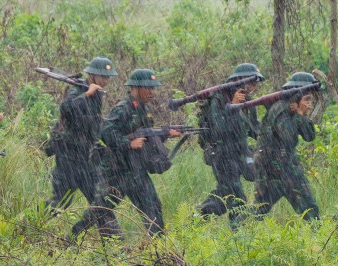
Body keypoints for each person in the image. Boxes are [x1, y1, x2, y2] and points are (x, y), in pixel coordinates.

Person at [70, 68, 179, 238]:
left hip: (137, 170)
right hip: (116, 172)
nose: (151, 92)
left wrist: (164, 135)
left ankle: (160, 247)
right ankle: (74, 235)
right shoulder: (123, 108)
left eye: (153, 88)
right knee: (100, 210)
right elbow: (106, 132)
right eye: (148, 88)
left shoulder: (143, 109)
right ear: (135, 87)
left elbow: (144, 137)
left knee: (153, 208)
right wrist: (128, 144)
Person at [45, 57, 118, 211]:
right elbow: (66, 108)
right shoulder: (77, 90)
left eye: (107, 77)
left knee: (100, 203)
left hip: (87, 157)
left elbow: (92, 122)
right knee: (60, 203)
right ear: (91, 75)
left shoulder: (97, 94)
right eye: (102, 76)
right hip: (69, 157)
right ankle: (28, 221)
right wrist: (87, 94)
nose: (105, 80)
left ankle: (107, 228)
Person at [196, 63, 264, 224]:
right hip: (222, 155)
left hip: (239, 153)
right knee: (236, 197)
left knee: (224, 196)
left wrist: (271, 134)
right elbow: (219, 130)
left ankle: (195, 219)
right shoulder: (219, 99)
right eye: (250, 82)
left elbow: (253, 127)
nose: (252, 87)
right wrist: (232, 106)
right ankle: (238, 231)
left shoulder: (248, 101)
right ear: (240, 80)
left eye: (255, 83)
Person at [251, 72, 320, 223]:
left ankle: (319, 235)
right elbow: (288, 137)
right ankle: (238, 231)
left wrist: (300, 114)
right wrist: (299, 114)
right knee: (260, 207)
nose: (309, 100)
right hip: (273, 167)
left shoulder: (293, 110)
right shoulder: (281, 108)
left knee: (308, 206)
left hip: (285, 165)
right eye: (307, 95)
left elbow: (309, 136)